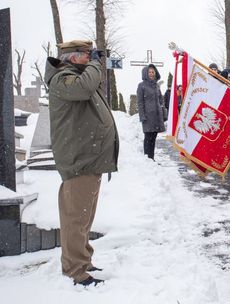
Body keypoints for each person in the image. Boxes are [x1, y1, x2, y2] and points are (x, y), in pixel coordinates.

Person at [45, 40, 119, 286]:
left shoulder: (76, 77)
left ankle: (83, 260)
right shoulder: (62, 79)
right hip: (78, 158)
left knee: (84, 218)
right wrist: (97, 63)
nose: (91, 59)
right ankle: (75, 270)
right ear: (73, 57)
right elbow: (85, 88)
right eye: (87, 55)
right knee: (75, 219)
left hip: (89, 157)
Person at [137, 64, 165, 160]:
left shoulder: (156, 86)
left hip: (157, 116)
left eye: (153, 72)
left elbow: (161, 100)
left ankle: (151, 158)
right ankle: (147, 159)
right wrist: (142, 116)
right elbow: (140, 102)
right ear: (145, 73)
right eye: (149, 72)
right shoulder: (141, 86)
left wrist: (163, 113)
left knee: (154, 137)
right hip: (148, 116)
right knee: (148, 137)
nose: (152, 74)